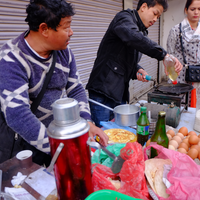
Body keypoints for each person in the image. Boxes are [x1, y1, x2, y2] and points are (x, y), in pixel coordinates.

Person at [0, 0, 108, 166]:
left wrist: (87, 121)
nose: (71, 32)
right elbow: (18, 116)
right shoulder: (12, 58)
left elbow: (76, 89)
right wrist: (60, 149)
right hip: (21, 144)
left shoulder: (64, 52)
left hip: (53, 138)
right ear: (44, 29)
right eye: (66, 27)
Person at [86, 0, 183, 128]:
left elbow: (123, 59)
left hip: (119, 92)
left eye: (158, 17)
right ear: (143, 7)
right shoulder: (124, 18)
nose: (155, 19)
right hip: (103, 91)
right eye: (155, 13)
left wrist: (138, 69)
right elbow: (133, 37)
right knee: (103, 135)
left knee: (118, 133)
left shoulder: (141, 32)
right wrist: (164, 55)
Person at [167, 0, 200, 106]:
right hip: (180, 77)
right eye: (192, 9)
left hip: (198, 77)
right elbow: (169, 55)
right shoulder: (176, 30)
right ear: (186, 10)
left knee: (195, 109)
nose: (196, 12)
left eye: (199, 9)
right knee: (179, 108)